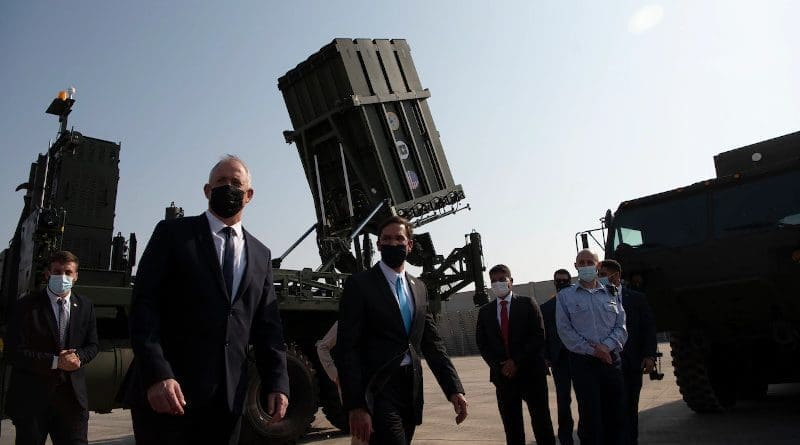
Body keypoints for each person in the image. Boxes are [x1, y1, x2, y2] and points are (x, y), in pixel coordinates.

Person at [123, 155, 290, 445]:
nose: (228, 188)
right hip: (170, 394)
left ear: (249, 195)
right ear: (206, 190)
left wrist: (277, 382)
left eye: (236, 183)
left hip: (227, 402)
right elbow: (143, 306)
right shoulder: (172, 234)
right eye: (220, 182)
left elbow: (268, 327)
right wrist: (157, 374)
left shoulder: (261, 255)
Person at [335, 216, 468, 445]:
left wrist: (454, 389)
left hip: (410, 388)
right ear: (378, 245)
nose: (393, 243)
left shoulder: (419, 288)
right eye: (386, 239)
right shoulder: (359, 285)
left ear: (409, 245)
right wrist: (356, 405)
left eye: (399, 238)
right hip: (378, 388)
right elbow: (348, 348)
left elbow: (432, 344)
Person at [6, 250, 99, 445]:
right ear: (47, 274)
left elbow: (92, 345)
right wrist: (56, 362)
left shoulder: (85, 306)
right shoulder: (26, 306)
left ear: (76, 276)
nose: (62, 277)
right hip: (32, 402)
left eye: (68, 272)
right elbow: (13, 352)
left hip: (72, 403)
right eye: (57, 271)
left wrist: (79, 358)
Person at [476, 264, 555, 445]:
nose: (498, 284)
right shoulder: (485, 312)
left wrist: (516, 361)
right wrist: (500, 365)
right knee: (512, 427)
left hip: (531, 373)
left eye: (502, 280)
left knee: (542, 423)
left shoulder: (528, 304)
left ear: (511, 282)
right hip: (503, 377)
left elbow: (538, 336)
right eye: (494, 281)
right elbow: (483, 344)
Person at [556, 249, 627, 445]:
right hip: (583, 363)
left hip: (611, 361)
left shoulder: (611, 293)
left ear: (598, 266)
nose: (586, 265)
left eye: (590, 262)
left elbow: (621, 326)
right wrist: (594, 350)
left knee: (616, 414)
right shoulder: (566, 296)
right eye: (582, 262)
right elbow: (565, 331)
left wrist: (606, 346)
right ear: (576, 266)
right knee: (590, 417)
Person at [598, 260, 657, 445]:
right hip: (606, 364)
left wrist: (649, 355)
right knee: (609, 409)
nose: (598, 278)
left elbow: (648, 328)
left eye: (602, 274)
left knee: (630, 407)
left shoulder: (636, 299)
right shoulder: (596, 299)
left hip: (631, 363)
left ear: (615, 276)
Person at [540, 268, 575, 445]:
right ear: (554, 283)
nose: (561, 284)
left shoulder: (580, 303)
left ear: (570, 281)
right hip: (559, 359)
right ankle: (565, 438)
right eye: (558, 281)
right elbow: (543, 336)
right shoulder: (546, 308)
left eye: (564, 280)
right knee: (563, 401)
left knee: (587, 398)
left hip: (580, 358)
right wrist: (545, 358)